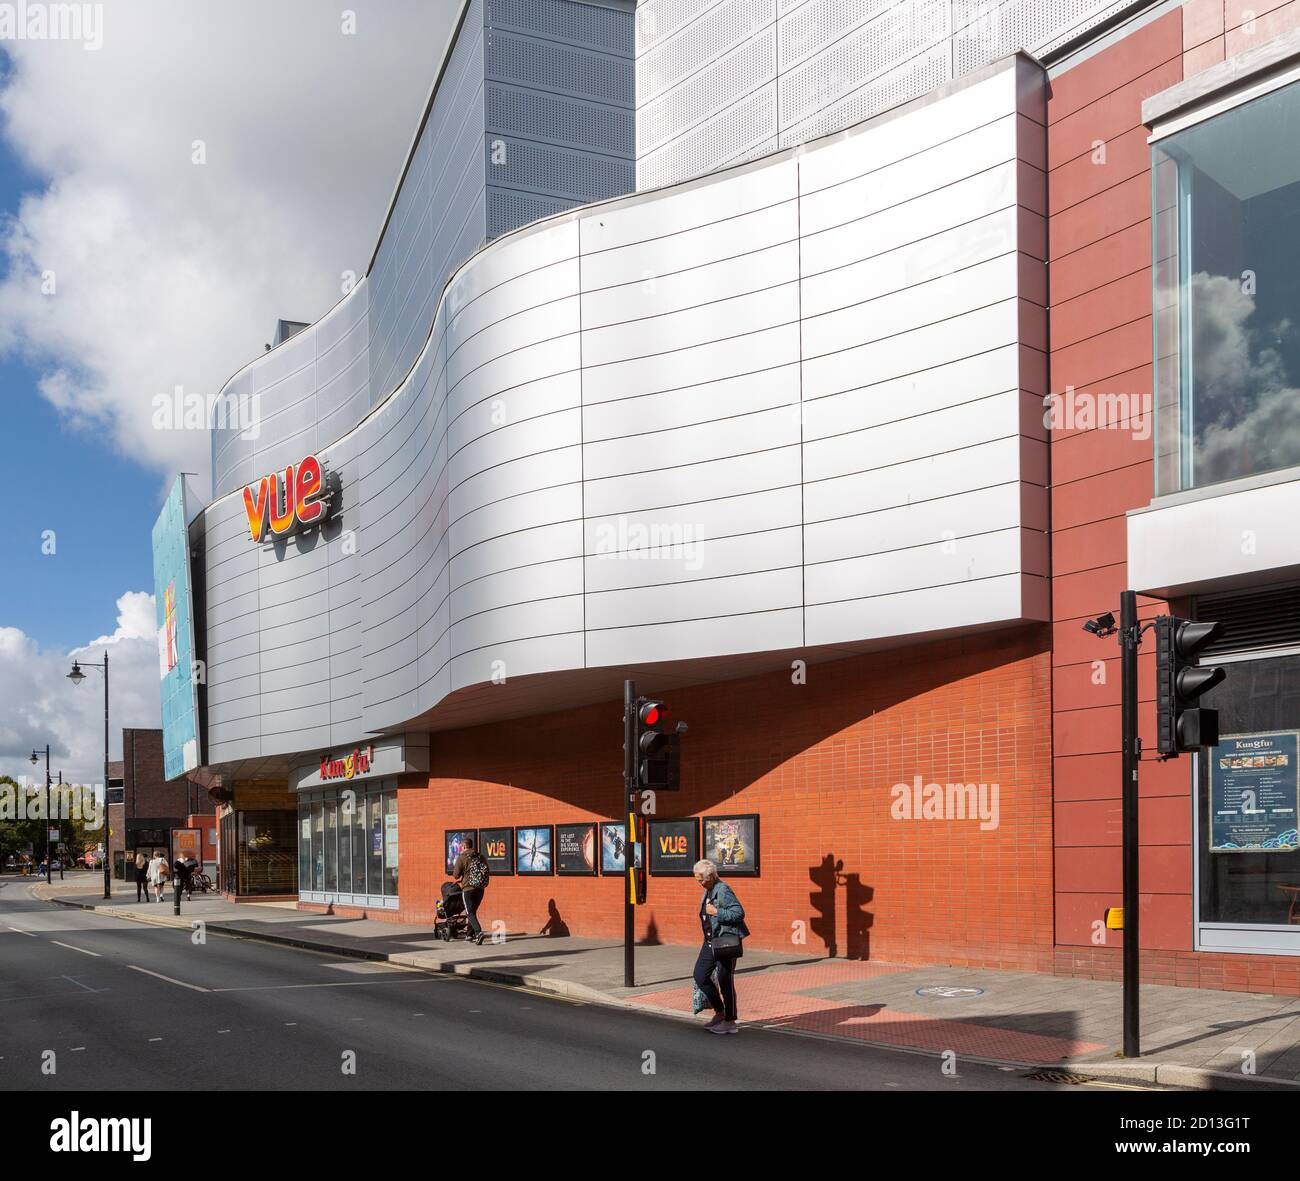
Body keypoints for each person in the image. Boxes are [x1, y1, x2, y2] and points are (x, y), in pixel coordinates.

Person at [692, 859, 749, 1035]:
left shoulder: (722, 889)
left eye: (701, 879)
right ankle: (720, 1011)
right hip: (710, 941)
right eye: (696, 879)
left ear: (711, 876)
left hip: (725, 942)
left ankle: (730, 1021)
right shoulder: (709, 890)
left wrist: (717, 912)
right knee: (700, 976)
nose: (698, 883)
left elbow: (739, 912)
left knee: (725, 981)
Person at [451, 836, 489, 945]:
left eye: (460, 847)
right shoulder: (480, 856)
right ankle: (469, 935)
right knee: (472, 912)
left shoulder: (462, 857)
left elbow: (456, 875)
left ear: (463, 846)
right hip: (480, 888)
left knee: (470, 913)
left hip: (468, 888)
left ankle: (478, 933)